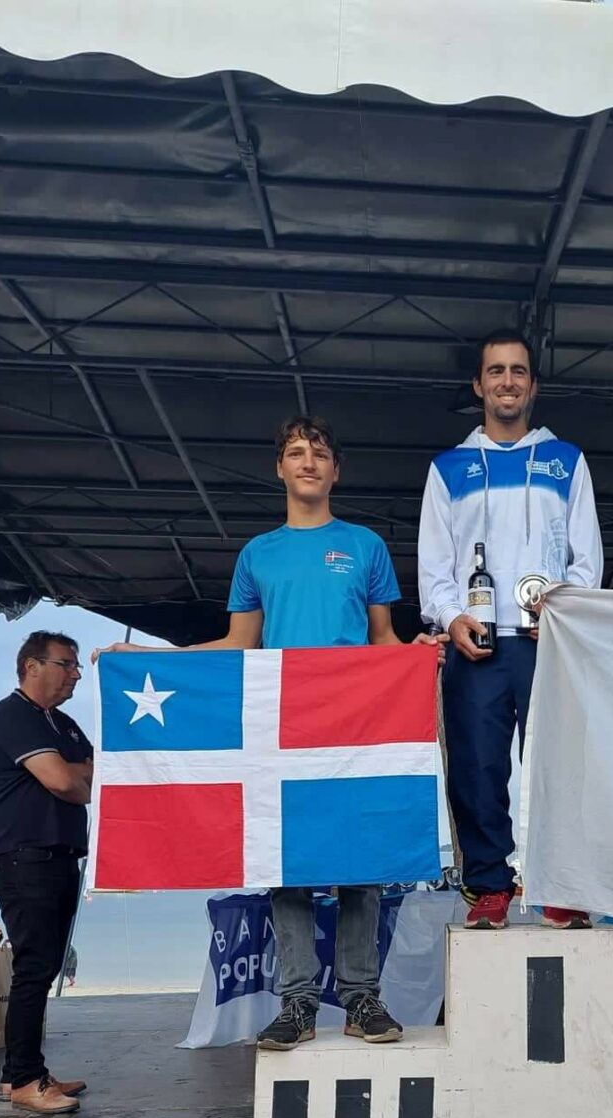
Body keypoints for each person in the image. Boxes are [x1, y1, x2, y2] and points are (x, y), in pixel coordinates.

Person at [99, 415, 441, 1052]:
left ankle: (363, 997)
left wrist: (415, 654)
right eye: (295, 452)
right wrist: (153, 660)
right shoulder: (258, 553)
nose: (307, 462)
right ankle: (298, 1003)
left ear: (336, 470)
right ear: (279, 469)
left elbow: (383, 641)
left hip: (351, 725)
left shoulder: (364, 545)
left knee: (358, 861)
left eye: (319, 453)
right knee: (285, 865)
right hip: (282, 727)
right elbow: (238, 644)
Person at [418, 329, 604, 930]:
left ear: (532, 385)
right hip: (476, 642)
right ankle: (488, 885)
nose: (506, 381)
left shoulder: (567, 460)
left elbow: (588, 558)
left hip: (546, 640)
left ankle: (561, 883)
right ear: (478, 385)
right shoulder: (446, 468)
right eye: (495, 371)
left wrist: (565, 606)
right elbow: (434, 566)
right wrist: (452, 618)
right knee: (476, 767)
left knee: (559, 765)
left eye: (517, 371)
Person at [0, 630, 91, 1115]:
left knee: (42, 969)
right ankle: (27, 1080)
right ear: (32, 666)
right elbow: (68, 781)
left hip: (59, 855)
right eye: (66, 664)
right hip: (25, 857)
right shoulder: (11, 715)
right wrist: (72, 776)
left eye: (75, 666)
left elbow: (93, 773)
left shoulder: (62, 724)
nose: (75, 674)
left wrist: (75, 776)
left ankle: (18, 1074)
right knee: (33, 969)